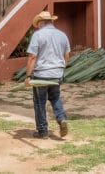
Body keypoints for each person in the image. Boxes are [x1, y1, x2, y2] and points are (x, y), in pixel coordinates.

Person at [25, 10, 70, 139]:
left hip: (42, 74)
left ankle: (42, 131)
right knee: (55, 97)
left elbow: (32, 57)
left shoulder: (38, 35)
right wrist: (61, 69)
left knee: (39, 101)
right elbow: (66, 56)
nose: (37, 26)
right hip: (57, 73)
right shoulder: (63, 35)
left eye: (38, 23)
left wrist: (28, 76)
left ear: (42, 23)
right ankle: (61, 119)